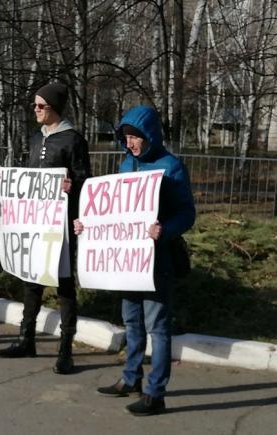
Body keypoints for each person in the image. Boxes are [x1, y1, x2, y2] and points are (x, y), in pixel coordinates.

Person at [74, 105, 195, 416]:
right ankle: (131, 379)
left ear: (150, 135)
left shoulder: (171, 167)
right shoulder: (126, 165)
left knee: (158, 328)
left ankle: (156, 394)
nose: (129, 143)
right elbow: (113, 213)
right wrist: (87, 225)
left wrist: (164, 230)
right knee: (131, 323)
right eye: (125, 137)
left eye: (135, 137)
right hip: (128, 264)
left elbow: (186, 213)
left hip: (158, 263)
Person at [0, 83, 92, 374]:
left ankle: (65, 349)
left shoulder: (73, 140)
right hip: (34, 222)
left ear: (55, 108)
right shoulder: (36, 138)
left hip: (60, 224)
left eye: (40, 105)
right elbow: (27, 177)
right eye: (34, 105)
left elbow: (86, 179)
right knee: (31, 279)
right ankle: (26, 338)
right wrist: (4, 179)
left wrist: (72, 186)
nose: (35, 110)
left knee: (63, 285)